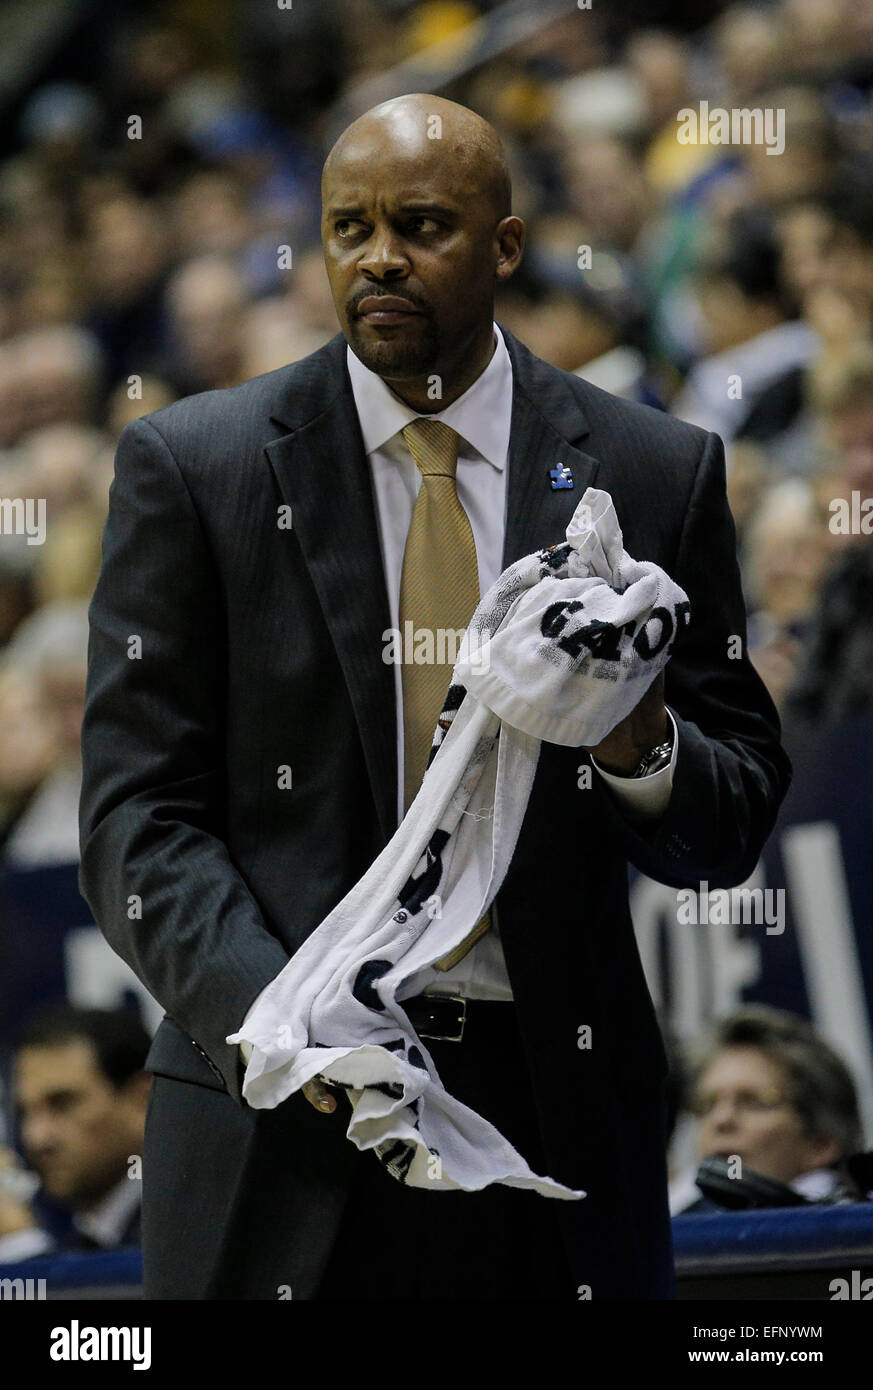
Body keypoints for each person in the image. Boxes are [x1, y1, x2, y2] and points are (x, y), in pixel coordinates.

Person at [79, 94, 790, 1300]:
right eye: (348, 229)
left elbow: (733, 812)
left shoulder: (655, 469)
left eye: (420, 225)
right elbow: (136, 816)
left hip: (553, 1117)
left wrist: (633, 733)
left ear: (505, 247)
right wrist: (294, 1022)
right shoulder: (195, 468)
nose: (379, 259)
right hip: (282, 1115)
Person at [672, 1006, 865, 1213]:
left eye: (754, 1102)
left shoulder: (856, 1229)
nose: (721, 1120)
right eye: (707, 1105)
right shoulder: (674, 1218)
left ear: (821, 1144)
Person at [0, 1006, 150, 1260]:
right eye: (25, 1112)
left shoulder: (187, 1226)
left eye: (63, 1103)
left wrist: (21, 1247)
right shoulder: (89, 1237)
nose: (38, 1138)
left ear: (142, 1100)